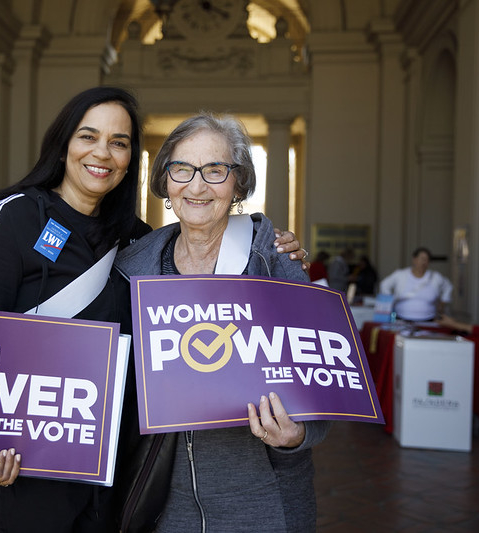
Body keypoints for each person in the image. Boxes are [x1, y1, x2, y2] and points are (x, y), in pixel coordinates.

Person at [0, 87, 308, 533]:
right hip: (19, 458)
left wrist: (280, 248)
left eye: (119, 142)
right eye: (88, 136)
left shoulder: (136, 241)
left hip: (109, 465)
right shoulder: (17, 218)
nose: (102, 152)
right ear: (64, 143)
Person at [114, 113, 331, 532]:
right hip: (163, 500)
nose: (196, 186)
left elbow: (322, 390)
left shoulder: (276, 262)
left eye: (215, 170)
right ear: (165, 180)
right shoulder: (130, 270)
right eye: (182, 169)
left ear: (238, 183)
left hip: (262, 501)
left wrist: (297, 437)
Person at [379, 247, 453, 322]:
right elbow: (384, 285)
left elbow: (448, 286)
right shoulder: (400, 275)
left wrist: (443, 301)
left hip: (429, 320)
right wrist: (390, 301)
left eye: (427, 260)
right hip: (401, 319)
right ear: (414, 259)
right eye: (422, 259)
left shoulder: (435, 277)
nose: (424, 262)